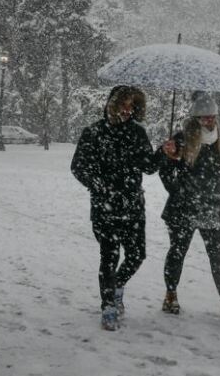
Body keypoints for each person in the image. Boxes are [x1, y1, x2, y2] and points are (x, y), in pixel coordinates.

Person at [71, 85, 173, 331]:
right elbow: (78, 167)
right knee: (109, 256)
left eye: (132, 106)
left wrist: (163, 152)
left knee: (137, 254)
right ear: (111, 104)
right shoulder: (93, 132)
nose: (127, 111)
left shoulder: (137, 133)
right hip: (105, 206)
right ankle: (108, 306)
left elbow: (148, 165)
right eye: (123, 105)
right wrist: (99, 185)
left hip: (132, 205)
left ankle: (116, 285)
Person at [157, 91, 220, 321]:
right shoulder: (181, 139)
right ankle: (171, 294)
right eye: (204, 117)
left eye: (212, 116)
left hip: (213, 207)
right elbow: (165, 171)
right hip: (184, 208)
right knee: (178, 252)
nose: (209, 120)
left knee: (219, 256)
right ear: (196, 118)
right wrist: (179, 189)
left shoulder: (217, 138)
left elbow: (215, 171)